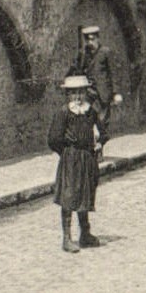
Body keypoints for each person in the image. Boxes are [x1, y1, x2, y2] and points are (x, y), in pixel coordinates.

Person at [48, 73, 104, 252]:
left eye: (80, 92)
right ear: (68, 95)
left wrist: (99, 143)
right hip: (71, 158)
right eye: (73, 93)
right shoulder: (64, 113)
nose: (78, 97)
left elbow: (101, 131)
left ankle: (85, 234)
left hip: (88, 157)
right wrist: (66, 153)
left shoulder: (90, 112)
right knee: (69, 195)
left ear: (86, 93)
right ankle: (67, 238)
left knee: (85, 193)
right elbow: (54, 139)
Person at [79, 24, 122, 131]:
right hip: (90, 92)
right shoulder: (85, 55)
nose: (90, 43)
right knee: (89, 119)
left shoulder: (106, 52)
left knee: (102, 122)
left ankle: (101, 142)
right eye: (87, 40)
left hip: (103, 93)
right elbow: (81, 70)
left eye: (92, 39)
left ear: (98, 38)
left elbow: (114, 73)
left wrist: (116, 93)